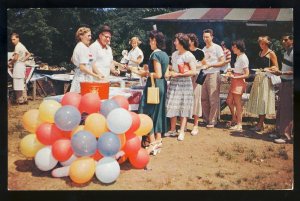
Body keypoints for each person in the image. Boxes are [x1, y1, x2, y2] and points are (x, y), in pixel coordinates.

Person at [138, 30, 170, 155]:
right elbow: (166, 74)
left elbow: (158, 74)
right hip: (162, 86)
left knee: (147, 113)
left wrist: (145, 73)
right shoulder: (165, 55)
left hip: (153, 86)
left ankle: (152, 142)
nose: (149, 42)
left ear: (155, 41)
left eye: (151, 40)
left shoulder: (155, 55)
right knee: (158, 113)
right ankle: (158, 140)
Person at [165, 33, 196, 141]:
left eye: (176, 41)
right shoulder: (174, 54)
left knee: (184, 106)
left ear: (182, 43)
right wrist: (169, 72)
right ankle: (173, 129)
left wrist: (178, 74)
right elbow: (173, 68)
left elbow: (193, 71)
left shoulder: (189, 55)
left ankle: (182, 131)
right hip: (174, 83)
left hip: (185, 84)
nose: (174, 43)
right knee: (172, 105)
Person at [246, 36, 278, 131]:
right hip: (258, 78)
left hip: (266, 80)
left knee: (263, 101)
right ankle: (261, 123)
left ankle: (259, 125)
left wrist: (267, 69)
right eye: (260, 43)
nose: (261, 45)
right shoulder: (259, 53)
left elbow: (276, 67)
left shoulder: (271, 53)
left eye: (263, 43)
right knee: (259, 101)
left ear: (267, 44)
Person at [270, 34, 293, 143]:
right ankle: (279, 132)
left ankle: (286, 136)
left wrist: (282, 72)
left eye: (286, 40)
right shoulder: (285, 52)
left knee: (287, 110)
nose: (283, 41)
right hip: (283, 82)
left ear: (292, 41)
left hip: (290, 83)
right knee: (280, 109)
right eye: (282, 40)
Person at [201, 29, 225, 128]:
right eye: (204, 37)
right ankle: (206, 119)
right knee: (203, 98)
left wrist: (211, 65)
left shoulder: (217, 48)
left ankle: (213, 120)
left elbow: (222, 61)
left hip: (214, 74)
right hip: (203, 74)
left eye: (207, 37)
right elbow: (202, 63)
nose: (205, 39)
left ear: (212, 37)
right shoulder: (203, 49)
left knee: (213, 98)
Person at [225, 40, 249, 131]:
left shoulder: (243, 58)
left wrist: (235, 77)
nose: (232, 48)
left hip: (238, 82)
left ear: (239, 48)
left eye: (234, 47)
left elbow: (247, 74)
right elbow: (239, 69)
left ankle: (239, 125)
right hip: (235, 81)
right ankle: (234, 119)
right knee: (229, 101)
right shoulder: (239, 57)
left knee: (238, 104)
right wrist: (232, 69)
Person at [69, 27, 103, 92]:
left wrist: (99, 74)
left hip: (87, 79)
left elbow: (91, 64)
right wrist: (96, 75)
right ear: (81, 36)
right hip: (82, 80)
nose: (90, 38)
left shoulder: (85, 47)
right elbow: (82, 68)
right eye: (88, 36)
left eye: (90, 36)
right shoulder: (81, 47)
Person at [187, 33, 205, 136]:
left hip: (197, 78)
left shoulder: (200, 52)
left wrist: (197, 68)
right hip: (186, 78)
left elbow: (205, 64)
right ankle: (184, 124)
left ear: (193, 41)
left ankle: (195, 125)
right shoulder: (185, 52)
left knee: (196, 100)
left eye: (188, 40)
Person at [8, 33, 31, 104]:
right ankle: (22, 100)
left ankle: (19, 100)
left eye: (14, 39)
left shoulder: (17, 46)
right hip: (21, 65)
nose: (13, 41)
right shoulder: (21, 45)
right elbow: (29, 54)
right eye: (12, 40)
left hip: (18, 65)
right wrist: (23, 60)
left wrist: (9, 63)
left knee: (17, 83)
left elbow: (15, 58)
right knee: (20, 82)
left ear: (18, 39)